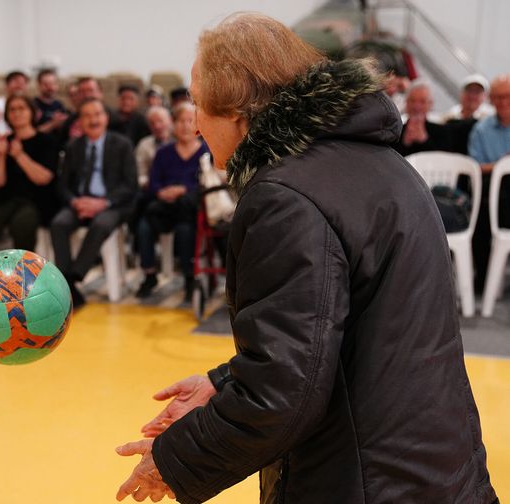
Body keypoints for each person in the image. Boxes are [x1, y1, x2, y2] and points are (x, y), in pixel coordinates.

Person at [115, 12, 497, 504]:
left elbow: (284, 392)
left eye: (196, 100)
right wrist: (224, 382)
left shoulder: (285, 197)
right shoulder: (381, 165)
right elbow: (338, 340)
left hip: (365, 481)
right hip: (433, 468)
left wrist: (177, 459)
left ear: (234, 108)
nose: (193, 120)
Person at [50, 98, 138, 308]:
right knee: (58, 223)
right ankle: (68, 283)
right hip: (79, 203)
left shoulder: (122, 144)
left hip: (111, 205)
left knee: (101, 225)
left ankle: (71, 280)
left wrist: (103, 203)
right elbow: (62, 185)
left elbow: (130, 185)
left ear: (106, 118)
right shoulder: (73, 146)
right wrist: (75, 201)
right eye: (87, 116)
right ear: (80, 121)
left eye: (97, 114)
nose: (93, 119)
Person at [0, 95, 59, 261]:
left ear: (31, 113)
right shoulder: (5, 141)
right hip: (7, 199)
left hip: (35, 201)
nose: (17, 113)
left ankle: (22, 276)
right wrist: (2, 154)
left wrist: (19, 155)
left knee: (22, 222)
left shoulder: (46, 141)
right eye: (12, 109)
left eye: (21, 108)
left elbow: (43, 178)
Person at [135, 103, 208, 301]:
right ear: (173, 125)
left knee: (186, 229)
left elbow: (206, 184)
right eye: (180, 121)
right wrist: (162, 192)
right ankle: (150, 275)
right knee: (144, 226)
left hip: (188, 209)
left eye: (189, 121)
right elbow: (153, 183)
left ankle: (188, 278)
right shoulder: (164, 152)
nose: (185, 126)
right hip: (164, 207)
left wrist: (184, 189)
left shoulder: (205, 152)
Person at [468, 74, 510, 293]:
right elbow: (474, 167)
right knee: (482, 211)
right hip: (493, 190)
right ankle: (483, 278)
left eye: (507, 97)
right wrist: (501, 165)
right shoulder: (481, 129)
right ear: (491, 100)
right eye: (498, 97)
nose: (503, 102)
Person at [391, 80, 449, 157]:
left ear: (430, 104)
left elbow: (442, 161)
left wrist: (424, 140)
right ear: (406, 102)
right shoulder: (395, 130)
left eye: (422, 102)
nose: (416, 106)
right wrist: (405, 142)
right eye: (412, 100)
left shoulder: (441, 131)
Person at [134, 106, 174, 188]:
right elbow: (140, 174)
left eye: (160, 121)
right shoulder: (144, 145)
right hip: (153, 189)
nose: (157, 126)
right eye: (152, 123)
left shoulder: (181, 140)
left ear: (170, 120)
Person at [0, 70, 30, 135]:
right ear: (6, 86)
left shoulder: (30, 104)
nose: (19, 85)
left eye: (23, 83)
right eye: (16, 81)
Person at [34, 68, 69, 135]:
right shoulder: (33, 105)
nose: (50, 87)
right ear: (39, 85)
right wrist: (53, 124)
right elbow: (32, 133)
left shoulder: (60, 105)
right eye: (46, 84)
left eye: (53, 83)